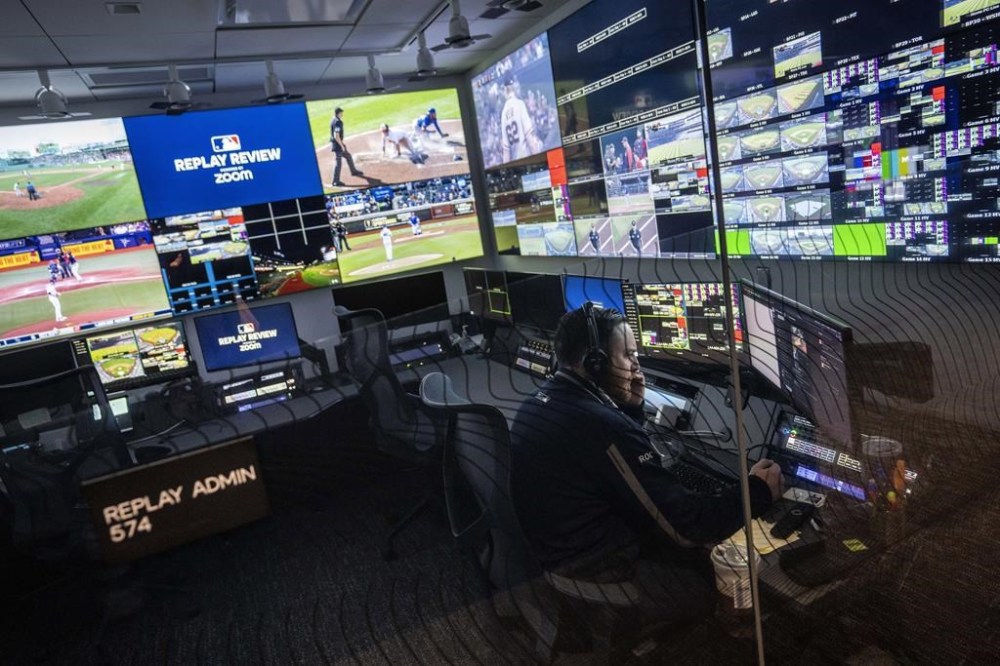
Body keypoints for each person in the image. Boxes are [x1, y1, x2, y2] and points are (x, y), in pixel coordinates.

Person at [510, 305, 782, 626]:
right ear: (595, 364)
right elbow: (686, 527)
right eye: (627, 355)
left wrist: (631, 410)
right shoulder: (601, 425)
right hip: (593, 569)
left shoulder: (543, 399)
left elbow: (614, 467)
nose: (637, 365)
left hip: (555, 551)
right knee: (709, 572)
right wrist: (757, 492)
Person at [500, 77, 540, 164]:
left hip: (516, 163)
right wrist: (539, 159)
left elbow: (506, 151)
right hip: (527, 158)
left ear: (505, 90)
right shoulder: (519, 104)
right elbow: (530, 138)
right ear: (514, 87)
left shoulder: (503, 113)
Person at [330, 107, 364, 187]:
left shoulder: (333, 120)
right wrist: (341, 145)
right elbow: (336, 135)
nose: (342, 114)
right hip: (338, 145)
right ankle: (335, 181)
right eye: (341, 113)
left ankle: (353, 171)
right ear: (339, 113)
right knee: (338, 163)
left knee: (348, 156)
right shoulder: (338, 122)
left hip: (337, 143)